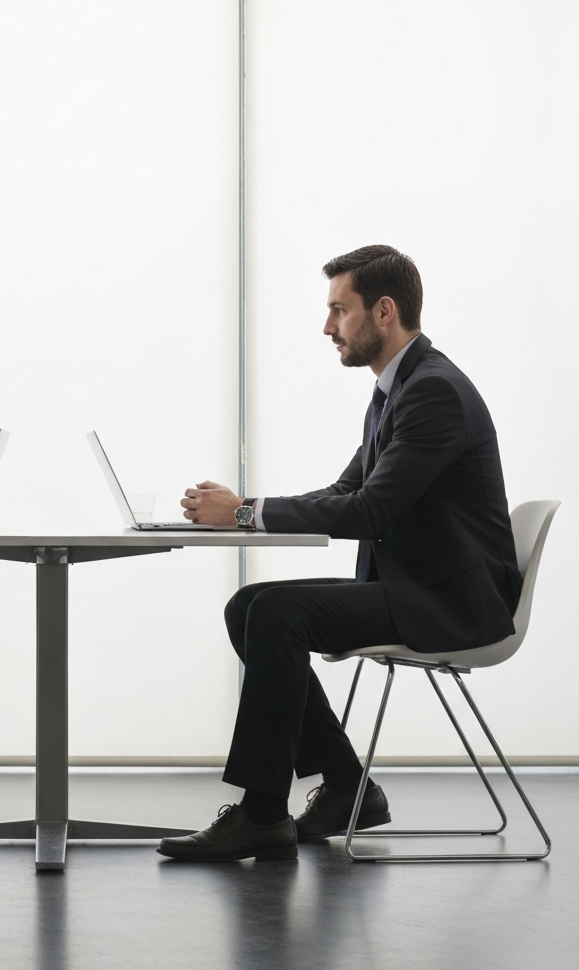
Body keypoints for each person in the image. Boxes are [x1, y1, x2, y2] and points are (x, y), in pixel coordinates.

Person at [157, 244, 521, 862]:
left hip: (453, 603)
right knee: (249, 605)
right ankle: (349, 790)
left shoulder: (432, 393)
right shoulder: (396, 389)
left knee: (276, 614)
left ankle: (263, 813)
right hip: (420, 587)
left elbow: (370, 511)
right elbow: (346, 490)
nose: (327, 327)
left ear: (384, 312)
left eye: (338, 310)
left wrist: (246, 513)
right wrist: (248, 509)